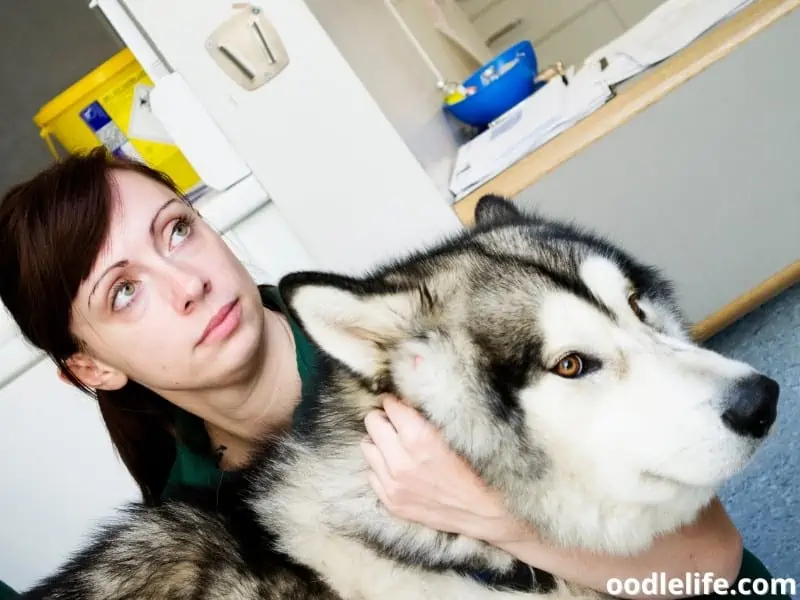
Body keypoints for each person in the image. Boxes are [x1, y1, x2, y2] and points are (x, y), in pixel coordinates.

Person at [0, 149, 785, 600]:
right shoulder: (187, 521)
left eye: (177, 230)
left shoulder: (435, 338)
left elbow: (708, 564)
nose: (188, 282)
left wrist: (492, 516)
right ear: (91, 366)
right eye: (125, 291)